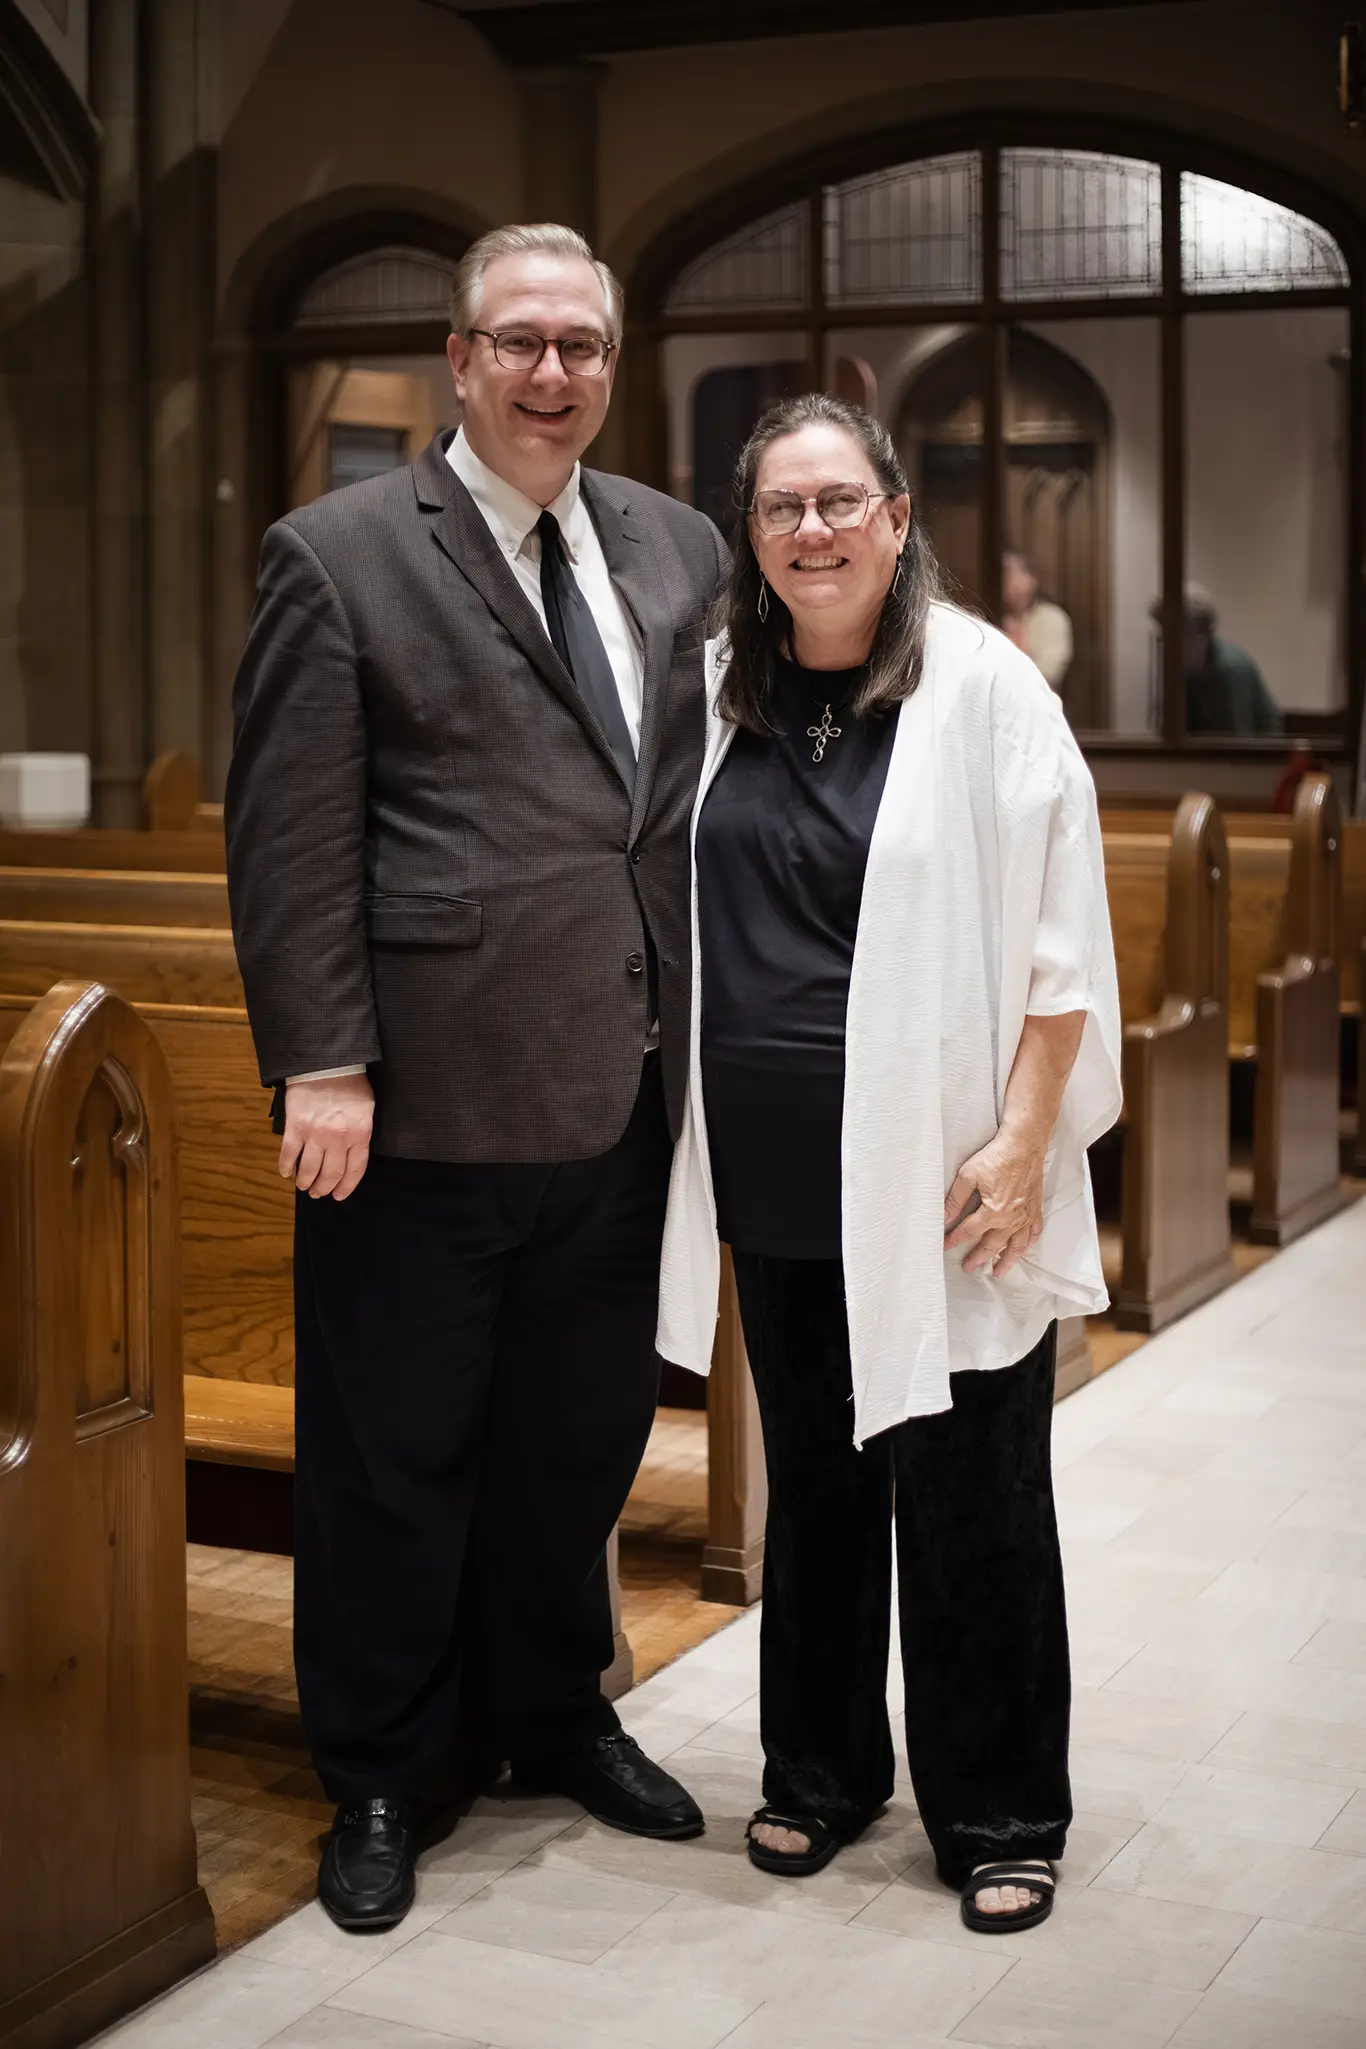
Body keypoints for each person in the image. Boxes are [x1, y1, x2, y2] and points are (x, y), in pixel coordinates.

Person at [226, 223, 728, 1933]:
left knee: (575, 1440)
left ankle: (555, 1708)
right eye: (518, 341)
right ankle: (377, 1763)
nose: (553, 373)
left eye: (581, 343)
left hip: (619, 1084)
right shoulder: (339, 551)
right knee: (391, 1453)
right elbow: (290, 840)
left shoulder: (676, 545)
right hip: (417, 1105)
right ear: (458, 358)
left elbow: (670, 808)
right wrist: (323, 1061)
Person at [656, 395, 1121, 1933]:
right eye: (783, 507)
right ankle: (820, 1770)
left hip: (945, 1172)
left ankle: (998, 1808)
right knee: (822, 1482)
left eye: (840, 502)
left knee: (976, 1487)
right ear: (754, 533)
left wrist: (1022, 1138)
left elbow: (1062, 940)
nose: (812, 532)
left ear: (896, 518)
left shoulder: (984, 687)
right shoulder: (724, 678)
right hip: (783, 1171)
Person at [1159, 581, 1283, 735]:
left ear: (1201, 636)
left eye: (1177, 638)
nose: (1168, 648)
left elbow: (1237, 744)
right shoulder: (1185, 670)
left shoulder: (1231, 670)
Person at [1002, 547, 1073, 691]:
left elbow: (1048, 674)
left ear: (1030, 579)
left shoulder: (1052, 618)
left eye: (1009, 571)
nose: (1003, 579)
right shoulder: (986, 617)